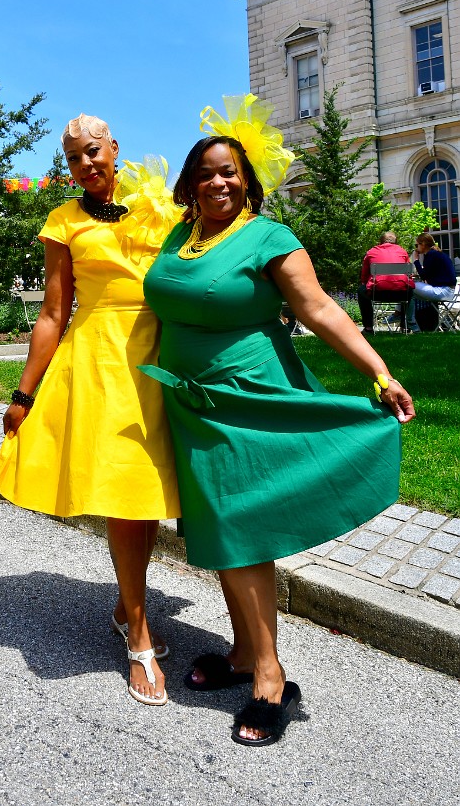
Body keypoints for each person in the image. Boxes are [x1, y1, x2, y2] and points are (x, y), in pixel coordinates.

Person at [139, 95, 415, 747]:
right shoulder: (181, 236)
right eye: (206, 171)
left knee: (241, 531)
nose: (218, 181)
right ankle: (240, 651)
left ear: (248, 181)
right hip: (192, 404)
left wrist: (379, 372)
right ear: (189, 183)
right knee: (214, 528)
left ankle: (269, 677)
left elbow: (321, 309)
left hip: (249, 397)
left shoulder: (268, 237)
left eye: (230, 171)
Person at [0, 115, 181, 707]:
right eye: (74, 158)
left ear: (114, 148)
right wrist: (23, 393)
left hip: (162, 356)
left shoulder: (158, 203)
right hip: (98, 360)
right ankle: (140, 635)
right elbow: (53, 312)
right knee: (123, 494)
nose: (86, 164)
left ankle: (128, 604)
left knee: (145, 494)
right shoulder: (63, 221)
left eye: (93, 151)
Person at [357, 232, 414, 334]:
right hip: (400, 293)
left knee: (361, 291)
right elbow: (409, 274)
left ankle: (369, 327)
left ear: (380, 242)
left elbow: (364, 275)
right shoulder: (402, 251)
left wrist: (365, 283)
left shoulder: (372, 252)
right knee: (410, 291)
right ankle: (406, 326)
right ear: (396, 242)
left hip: (377, 293)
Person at [405, 232, 457, 331]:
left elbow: (425, 276)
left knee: (407, 285)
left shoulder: (431, 255)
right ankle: (407, 319)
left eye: (417, 245)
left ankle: (407, 320)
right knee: (408, 292)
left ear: (423, 244)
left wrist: (416, 260)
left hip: (442, 291)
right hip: (447, 290)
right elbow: (431, 274)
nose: (416, 247)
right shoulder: (437, 254)